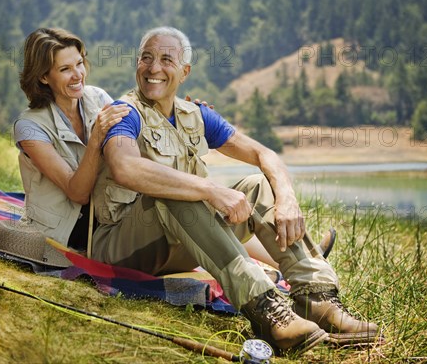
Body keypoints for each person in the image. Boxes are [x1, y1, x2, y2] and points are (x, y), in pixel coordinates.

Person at [91, 26, 380, 353]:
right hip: (121, 246)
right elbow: (125, 168)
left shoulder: (196, 114)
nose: (153, 68)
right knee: (176, 190)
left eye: (166, 60)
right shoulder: (124, 112)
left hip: (178, 243)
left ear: (184, 72)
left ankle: (318, 299)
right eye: (146, 58)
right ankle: (267, 311)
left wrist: (286, 198)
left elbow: (263, 154)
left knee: (259, 185)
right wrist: (210, 190)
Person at [14, 27, 131, 252]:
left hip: (107, 215)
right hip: (65, 231)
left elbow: (133, 142)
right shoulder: (28, 127)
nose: (78, 75)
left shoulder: (97, 97)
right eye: (65, 69)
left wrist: (187, 116)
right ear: (43, 76)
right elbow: (77, 193)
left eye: (79, 63)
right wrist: (96, 138)